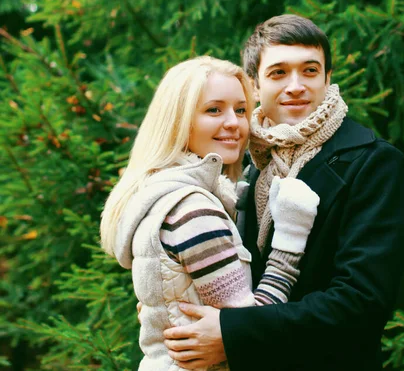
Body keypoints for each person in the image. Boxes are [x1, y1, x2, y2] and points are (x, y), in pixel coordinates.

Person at [163, 15, 404, 370]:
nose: (296, 85)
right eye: (278, 72)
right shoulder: (253, 166)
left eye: (310, 71)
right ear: (254, 85)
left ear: (327, 79)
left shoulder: (375, 164)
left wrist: (233, 335)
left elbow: (361, 303)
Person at [100, 56, 320, 370]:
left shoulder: (158, 196)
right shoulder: (194, 212)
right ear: (178, 121)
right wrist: (289, 238)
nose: (234, 123)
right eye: (214, 109)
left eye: (241, 110)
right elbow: (248, 329)